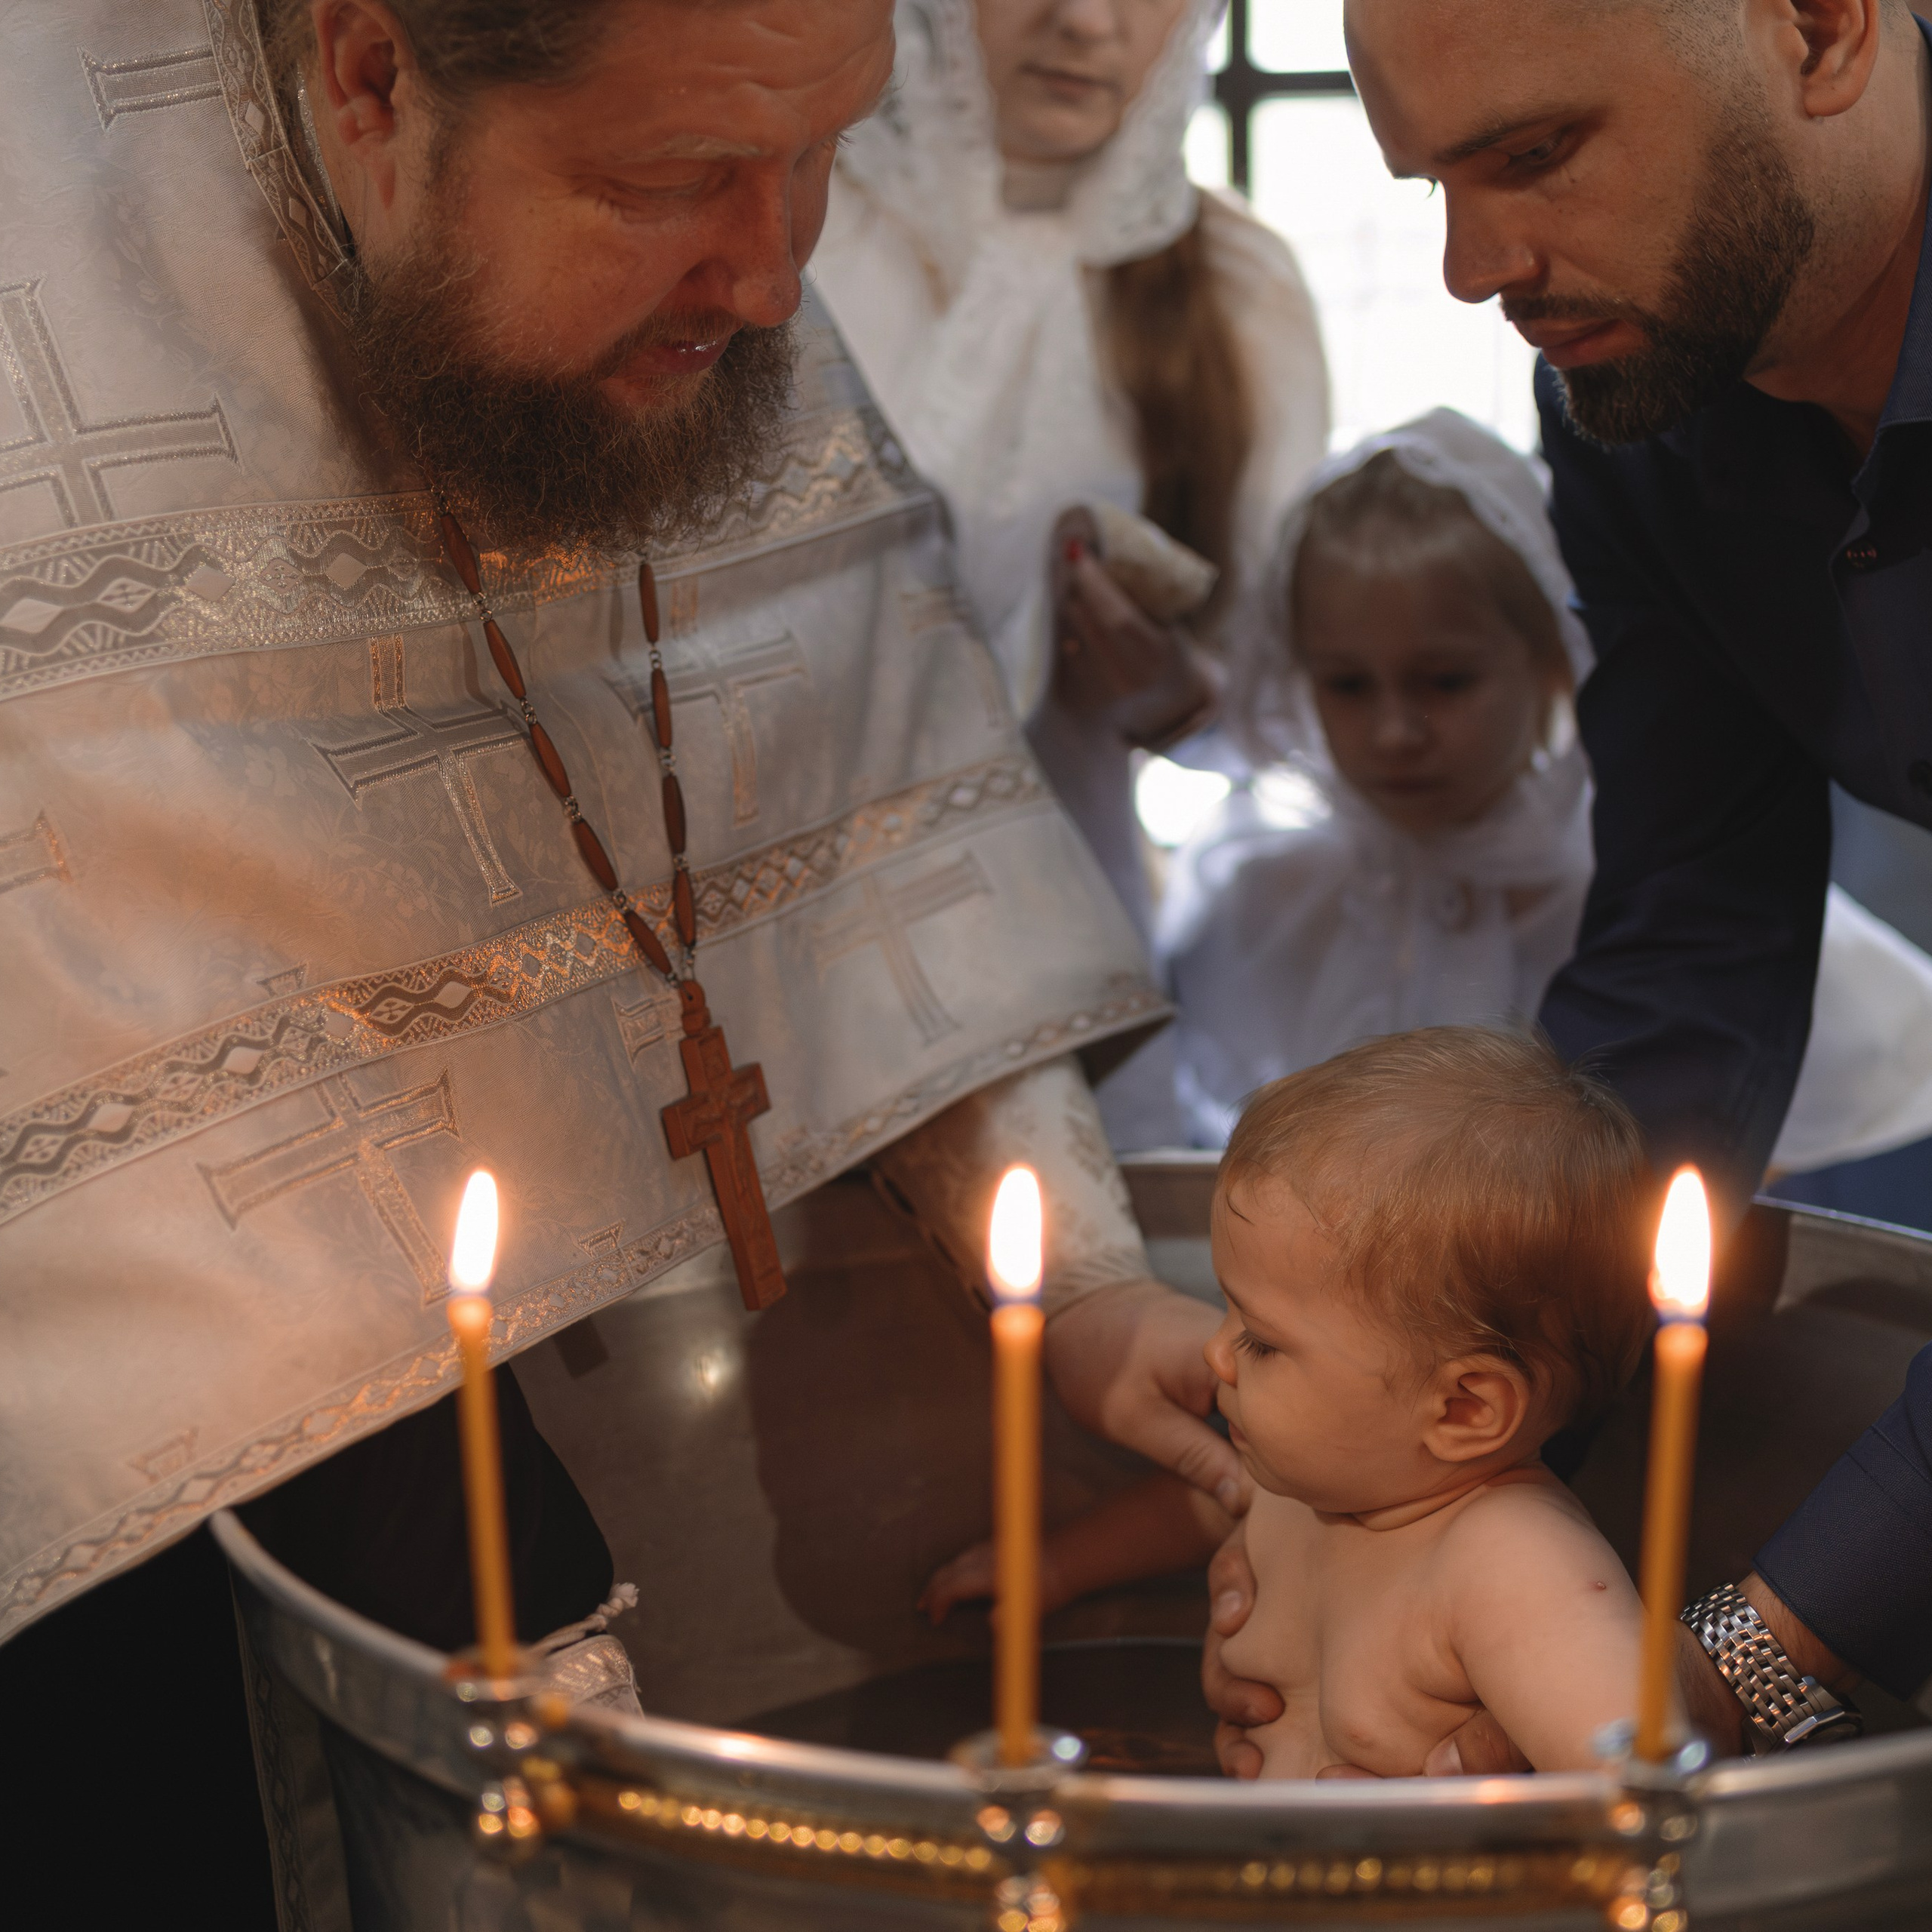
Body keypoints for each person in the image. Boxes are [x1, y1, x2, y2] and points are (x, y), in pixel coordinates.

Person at [0, 0, 1242, 1904]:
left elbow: (853, 768)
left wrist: (1078, 1284)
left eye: (824, 155)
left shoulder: (698, 253)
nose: (772, 278)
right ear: (370, 75)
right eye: (676, 180)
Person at [1201, 0, 1932, 1778]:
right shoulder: (1631, 403)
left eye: (1532, 154)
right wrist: (1418, 1481)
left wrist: (1755, 1652)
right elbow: (1690, 938)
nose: (1472, 268)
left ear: (1818, 29)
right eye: (1429, 184)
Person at [1161, 410, 1932, 1202]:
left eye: (1445, 681)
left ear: (1551, 664)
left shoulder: (1653, 903)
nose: (1394, 732)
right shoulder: (1260, 895)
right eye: (1348, 684)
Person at [810, 0, 1330, 1141]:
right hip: (767, 926)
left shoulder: (1234, 292)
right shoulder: (797, 229)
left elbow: (1282, 709)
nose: (1085, 20)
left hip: (1057, 917)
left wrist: (1167, 691)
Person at [927, 1027, 1669, 1776]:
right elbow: (1205, 1503)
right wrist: (1056, 1567)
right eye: (1228, 1310)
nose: (1215, 1353)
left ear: (1463, 1409)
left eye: (1260, 1340)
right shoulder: (1322, 1480)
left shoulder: (1514, 1568)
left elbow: (1638, 1787)